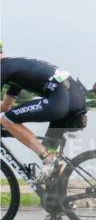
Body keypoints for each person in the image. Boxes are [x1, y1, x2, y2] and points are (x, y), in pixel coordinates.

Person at [1, 44, 88, 181]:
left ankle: (49, 161)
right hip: (74, 99)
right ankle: (62, 196)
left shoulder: (3, 68)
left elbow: (6, 114)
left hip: (60, 100)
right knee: (52, 162)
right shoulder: (16, 68)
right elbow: (6, 106)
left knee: (6, 120)